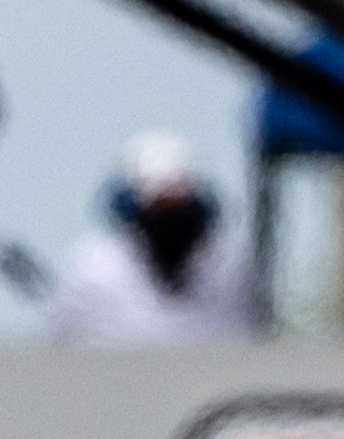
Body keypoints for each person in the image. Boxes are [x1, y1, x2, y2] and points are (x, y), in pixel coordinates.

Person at [44, 130, 260, 341]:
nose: (170, 219)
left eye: (179, 204)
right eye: (158, 204)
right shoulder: (93, 267)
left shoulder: (231, 266)